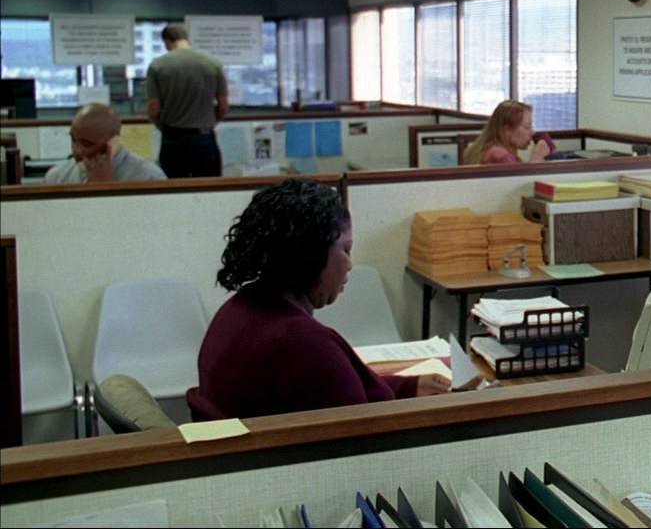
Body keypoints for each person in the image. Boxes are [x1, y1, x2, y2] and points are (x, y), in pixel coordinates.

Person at [187, 179, 455, 420]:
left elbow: (329, 392)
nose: (350, 264)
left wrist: (409, 386)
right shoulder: (303, 343)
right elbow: (361, 436)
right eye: (346, 249)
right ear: (311, 254)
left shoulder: (238, 308)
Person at [145, 23, 228, 178]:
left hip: (173, 139)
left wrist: (163, 126)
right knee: (209, 188)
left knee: (175, 189)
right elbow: (223, 105)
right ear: (187, 39)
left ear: (166, 42)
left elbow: (153, 108)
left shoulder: (157, 66)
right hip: (204, 138)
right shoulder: (213, 63)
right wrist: (209, 123)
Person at [44, 103, 166, 184]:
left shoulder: (149, 178)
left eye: (87, 144)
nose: (77, 151)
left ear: (113, 143)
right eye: (73, 140)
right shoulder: (56, 177)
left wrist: (101, 188)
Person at [462, 99, 552, 164]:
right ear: (507, 130)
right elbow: (518, 183)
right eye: (527, 127)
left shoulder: (486, 149)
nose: (532, 132)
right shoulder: (501, 156)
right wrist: (536, 160)